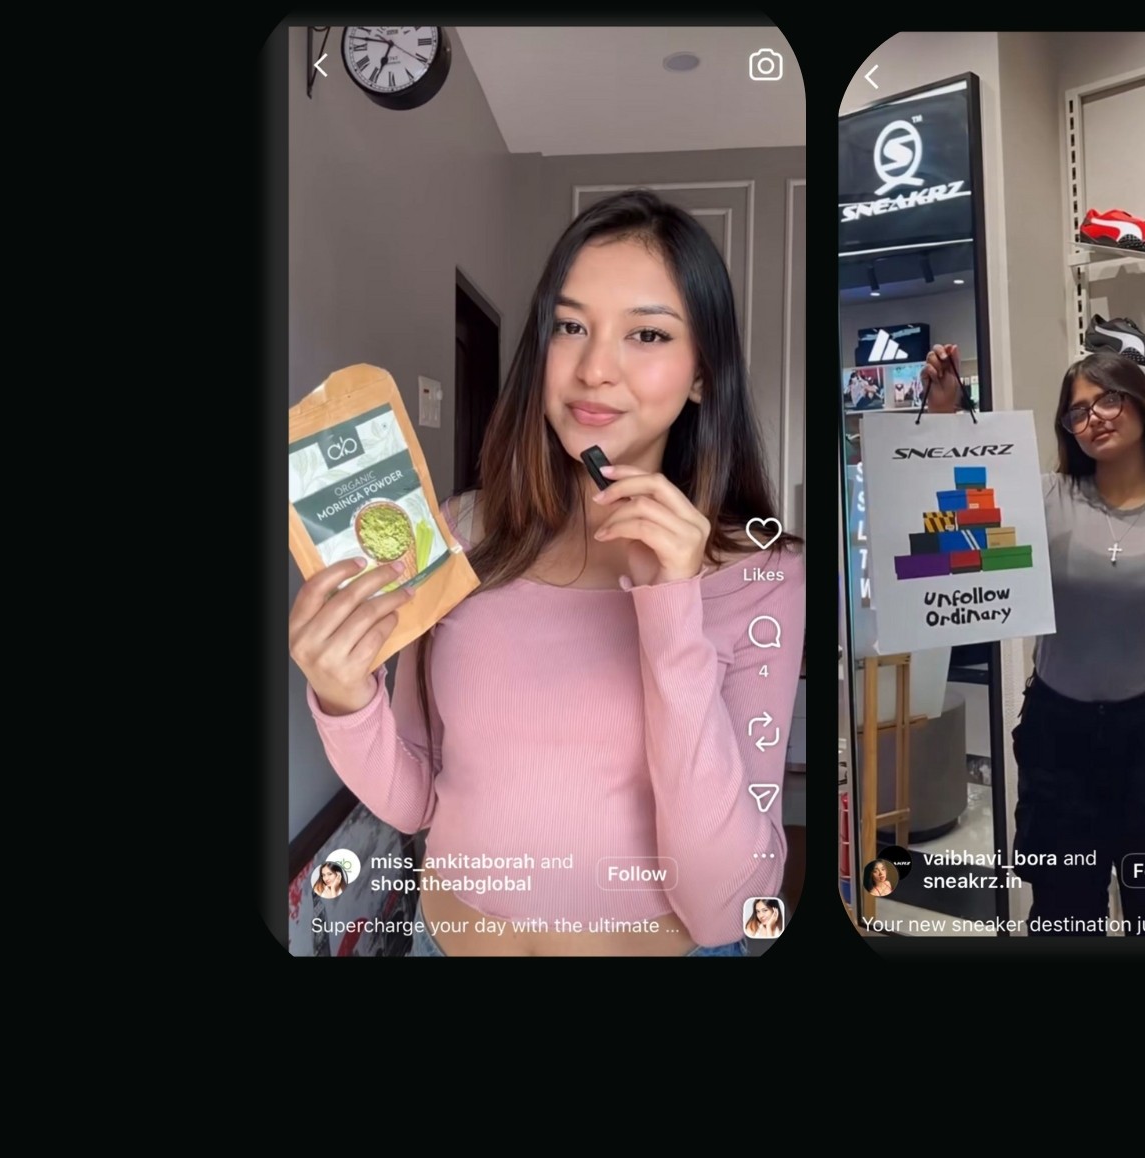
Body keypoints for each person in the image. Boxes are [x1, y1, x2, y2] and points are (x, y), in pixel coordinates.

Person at [290, 191, 803, 957]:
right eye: (571, 327)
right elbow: (416, 797)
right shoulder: (462, 530)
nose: (595, 369)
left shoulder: (763, 576)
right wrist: (341, 697)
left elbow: (728, 900)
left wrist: (671, 612)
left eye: (647, 334)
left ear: (703, 373)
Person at [918, 347, 1145, 936]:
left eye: (1108, 398)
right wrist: (948, 410)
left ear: (1141, 406)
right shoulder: (1043, 499)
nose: (1096, 417)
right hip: (1059, 737)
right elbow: (952, 495)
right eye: (1078, 411)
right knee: (1062, 916)